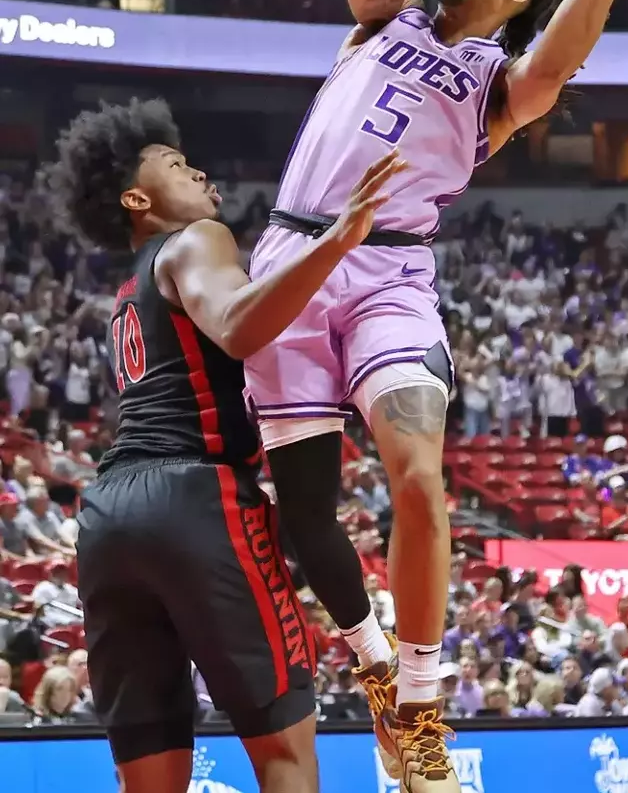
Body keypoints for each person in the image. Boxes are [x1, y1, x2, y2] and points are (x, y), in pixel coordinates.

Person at [242, 0, 628, 788]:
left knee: (417, 477)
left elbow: (561, 57)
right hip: (290, 260)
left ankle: (424, 698)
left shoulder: (499, 85)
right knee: (304, 512)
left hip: (390, 276)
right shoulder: (380, 20)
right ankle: (368, 657)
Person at [50, 98, 403, 793]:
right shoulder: (198, 240)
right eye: (177, 165)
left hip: (108, 519)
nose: (199, 171)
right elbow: (241, 325)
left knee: (150, 780)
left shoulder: (128, 291)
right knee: (286, 759)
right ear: (138, 198)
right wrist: (339, 238)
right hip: (196, 498)